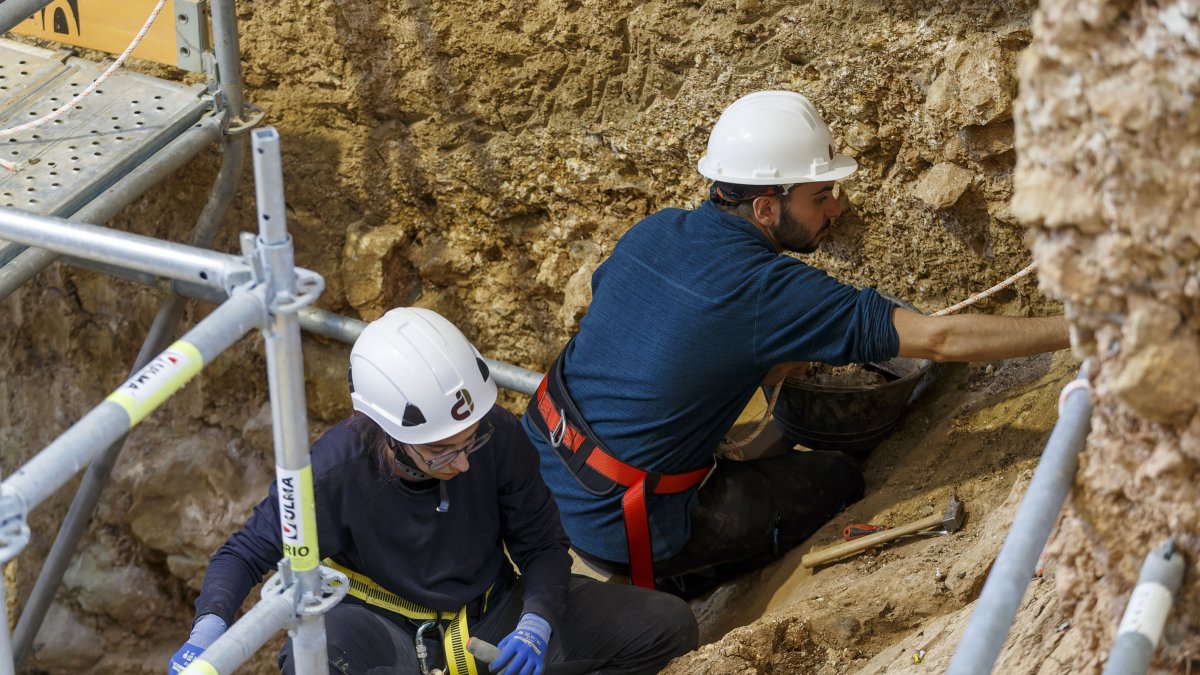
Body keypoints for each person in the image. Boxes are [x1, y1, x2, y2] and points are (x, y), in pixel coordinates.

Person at [522, 90, 1071, 598]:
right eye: (821, 195)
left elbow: (635, 319)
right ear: (765, 207)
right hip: (625, 524)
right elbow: (940, 338)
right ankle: (689, 587)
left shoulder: (656, 229)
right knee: (836, 475)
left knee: (764, 424)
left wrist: (760, 361)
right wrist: (1083, 327)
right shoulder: (769, 290)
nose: (835, 209)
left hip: (543, 466)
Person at [170, 308, 698, 675]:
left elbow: (541, 545)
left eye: (471, 440)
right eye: (441, 451)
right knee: (313, 660)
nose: (464, 460)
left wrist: (537, 621)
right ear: (391, 437)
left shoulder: (497, 436)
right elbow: (244, 552)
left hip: (490, 613)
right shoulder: (334, 471)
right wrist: (207, 631)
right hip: (382, 629)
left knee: (666, 626)